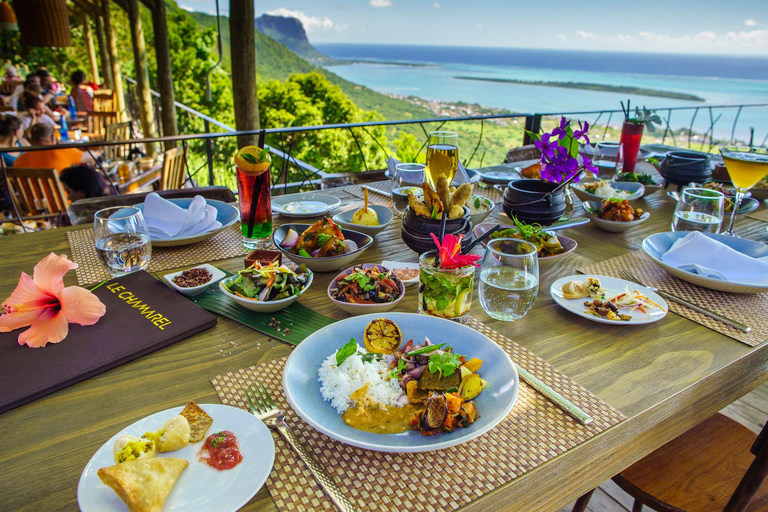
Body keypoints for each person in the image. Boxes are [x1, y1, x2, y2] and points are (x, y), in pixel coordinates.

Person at [12, 123, 95, 170]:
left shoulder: (19, 161)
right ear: (53, 137)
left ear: (32, 140)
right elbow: (91, 157)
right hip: (64, 200)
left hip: (32, 200)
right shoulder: (62, 151)